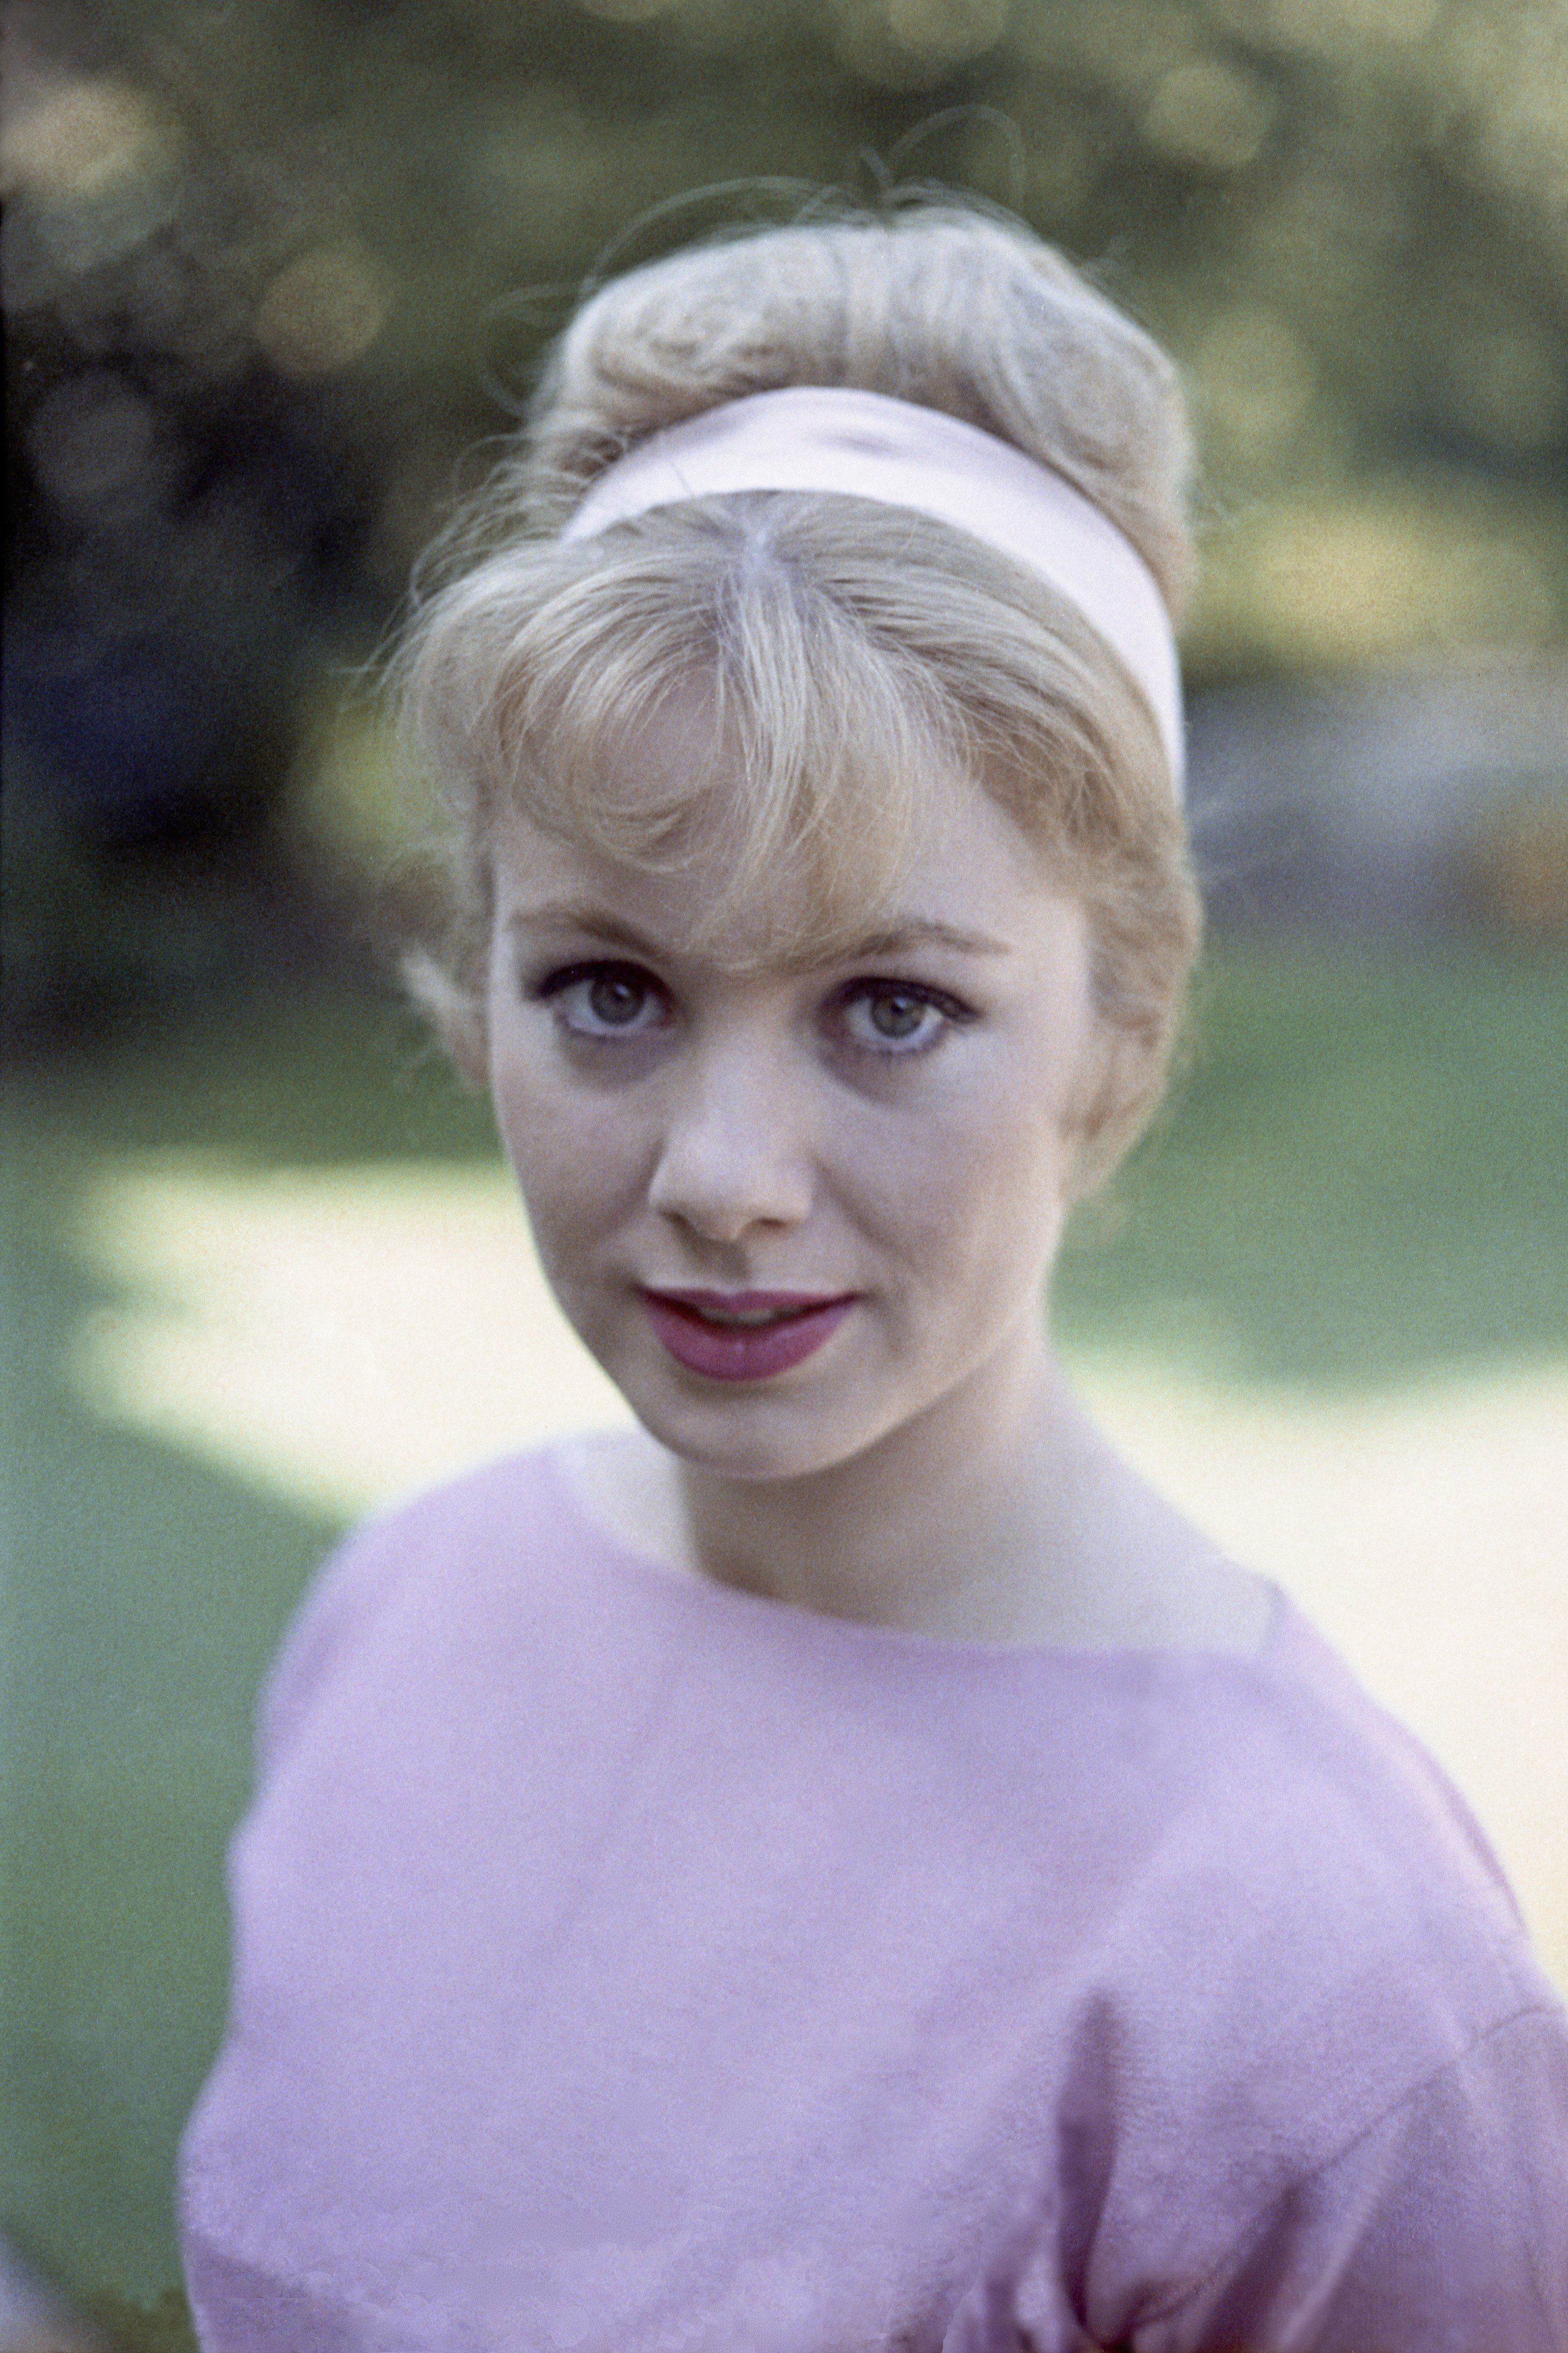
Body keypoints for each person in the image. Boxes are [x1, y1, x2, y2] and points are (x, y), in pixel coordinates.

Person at [178, 205, 1568, 2350]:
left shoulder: (1316, 1972)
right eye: (610, 990)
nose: (724, 1181)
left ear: (1116, 1021)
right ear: (479, 989)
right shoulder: (400, 1608)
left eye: (891, 1007)